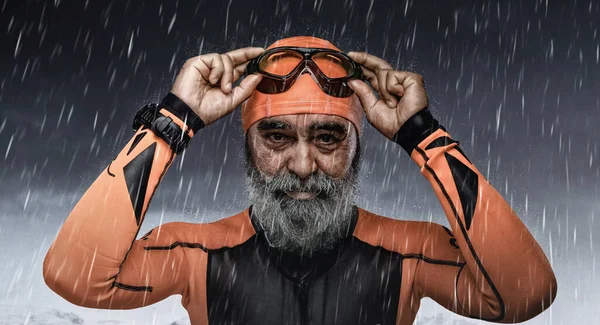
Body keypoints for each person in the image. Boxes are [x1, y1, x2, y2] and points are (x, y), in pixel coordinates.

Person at [43, 36, 557, 325]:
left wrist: (424, 137)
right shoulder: (201, 255)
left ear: (359, 146)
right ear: (246, 145)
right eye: (276, 136)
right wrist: (173, 120)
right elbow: (74, 274)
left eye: (329, 137)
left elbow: (526, 292)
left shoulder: (405, 254)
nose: (303, 165)